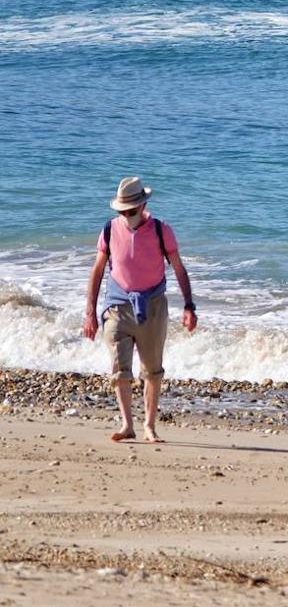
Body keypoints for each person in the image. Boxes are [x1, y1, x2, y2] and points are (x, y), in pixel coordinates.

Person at [81, 177, 197, 443]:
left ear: (143, 205)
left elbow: (179, 268)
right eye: (122, 211)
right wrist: (90, 313)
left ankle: (149, 425)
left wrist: (189, 306)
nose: (126, 215)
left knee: (152, 370)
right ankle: (127, 424)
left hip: (153, 306)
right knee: (120, 367)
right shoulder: (109, 230)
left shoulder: (161, 230)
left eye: (131, 211)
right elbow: (97, 271)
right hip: (117, 307)